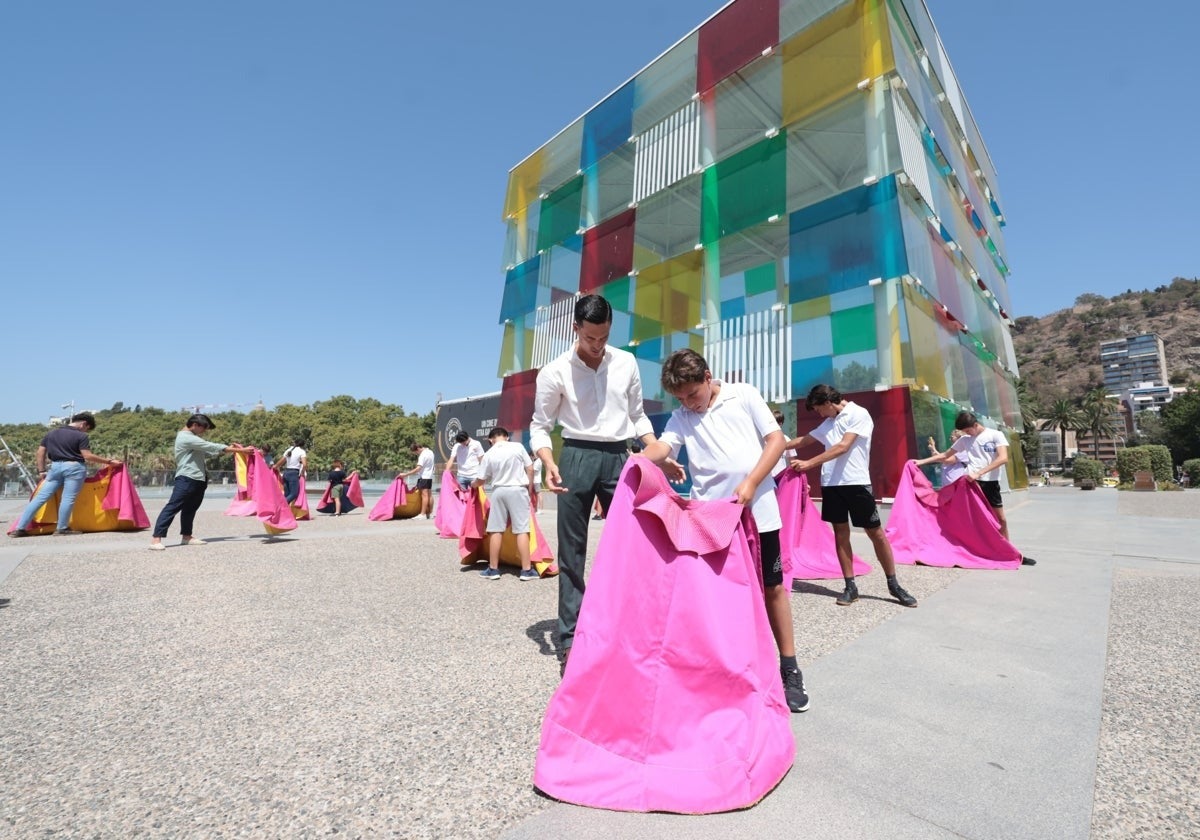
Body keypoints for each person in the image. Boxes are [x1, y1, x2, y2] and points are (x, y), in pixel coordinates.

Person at [640, 349, 810, 713]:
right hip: (711, 520)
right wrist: (637, 460)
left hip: (759, 512)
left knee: (773, 588)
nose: (688, 403)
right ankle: (729, 670)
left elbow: (776, 441)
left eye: (692, 395)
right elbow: (664, 446)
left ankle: (789, 668)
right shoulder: (682, 416)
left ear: (707, 376)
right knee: (718, 595)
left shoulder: (743, 394)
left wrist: (750, 483)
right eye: (681, 399)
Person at [529, 293, 677, 672]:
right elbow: (540, 425)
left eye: (604, 337)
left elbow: (638, 415)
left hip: (620, 458)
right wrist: (547, 461)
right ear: (576, 329)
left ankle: (634, 630)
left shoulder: (626, 362)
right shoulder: (555, 370)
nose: (597, 345)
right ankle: (569, 639)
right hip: (575, 455)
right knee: (571, 552)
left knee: (636, 545)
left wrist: (657, 450)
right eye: (590, 337)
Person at [785, 385, 918, 608]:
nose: (819, 414)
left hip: (856, 483)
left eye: (819, 409)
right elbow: (803, 441)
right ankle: (850, 586)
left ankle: (894, 584)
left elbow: (843, 447)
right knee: (840, 535)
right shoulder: (828, 422)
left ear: (828, 403)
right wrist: (771, 445)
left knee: (875, 533)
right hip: (831, 485)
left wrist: (809, 463)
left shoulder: (858, 414)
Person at [914, 411, 1036, 566]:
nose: (965, 434)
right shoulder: (965, 440)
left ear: (975, 425)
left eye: (967, 430)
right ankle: (974, 551)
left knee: (1000, 520)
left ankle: (1009, 553)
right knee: (973, 521)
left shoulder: (995, 435)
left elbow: (1003, 458)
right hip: (971, 484)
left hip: (990, 483)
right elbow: (946, 456)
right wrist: (921, 461)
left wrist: (980, 472)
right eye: (964, 432)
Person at [150, 414, 255, 550]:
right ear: (195, 425)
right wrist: (240, 450)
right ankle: (156, 539)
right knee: (173, 507)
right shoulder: (185, 437)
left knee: (190, 508)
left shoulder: (194, 439)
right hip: (187, 477)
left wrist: (230, 449)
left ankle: (187, 536)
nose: (204, 432)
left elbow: (210, 451)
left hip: (198, 478)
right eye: (203, 428)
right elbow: (209, 445)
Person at [10, 412, 122, 537]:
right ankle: (61, 528)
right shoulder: (81, 436)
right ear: (84, 424)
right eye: (87, 428)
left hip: (55, 467)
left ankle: (20, 528)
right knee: (68, 498)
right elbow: (87, 455)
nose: (86, 431)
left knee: (40, 498)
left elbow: (40, 452)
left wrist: (42, 471)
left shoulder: (51, 433)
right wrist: (110, 462)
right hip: (74, 467)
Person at [472, 427, 538, 582]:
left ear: (490, 439)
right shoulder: (518, 447)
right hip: (518, 489)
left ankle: (493, 569)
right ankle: (526, 570)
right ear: (506, 437)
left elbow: (481, 479)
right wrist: (529, 489)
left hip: (499, 491)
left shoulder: (489, 454)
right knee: (521, 529)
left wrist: (473, 485)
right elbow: (530, 468)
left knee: (496, 529)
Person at [401, 442, 436, 518]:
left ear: (418, 449)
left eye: (415, 452)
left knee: (424, 495)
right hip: (430, 476)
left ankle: (422, 514)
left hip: (424, 477)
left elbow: (418, 468)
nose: (416, 454)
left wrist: (406, 474)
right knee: (429, 495)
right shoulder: (430, 452)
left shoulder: (422, 455)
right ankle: (430, 513)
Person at [272, 438, 307, 505]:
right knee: (294, 493)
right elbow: (305, 464)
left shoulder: (289, 450)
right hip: (293, 473)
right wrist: (302, 472)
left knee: (287, 494)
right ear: (302, 445)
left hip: (286, 473)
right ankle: (280, 504)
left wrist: (275, 466)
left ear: (295, 443)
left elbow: (282, 460)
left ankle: (284, 512)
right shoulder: (301, 451)